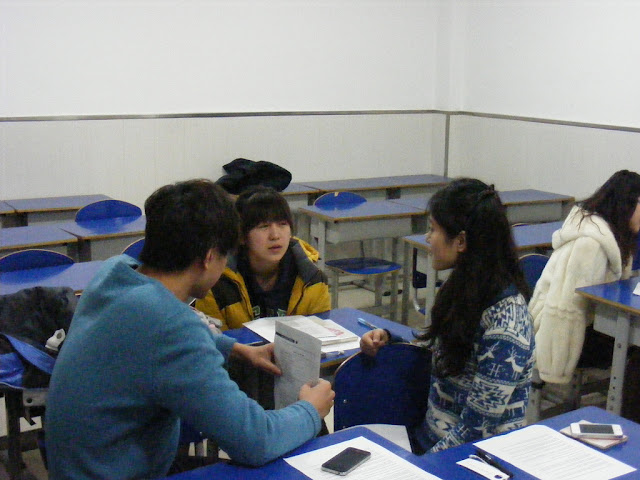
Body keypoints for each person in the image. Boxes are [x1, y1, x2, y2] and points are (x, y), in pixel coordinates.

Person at [45, 179, 334, 480]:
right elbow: (257, 441)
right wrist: (310, 410)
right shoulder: (169, 326)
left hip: (84, 466)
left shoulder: (115, 273)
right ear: (209, 257)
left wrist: (235, 349)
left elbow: (159, 332)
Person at [360, 178, 534, 454]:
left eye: (433, 229)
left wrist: (420, 466)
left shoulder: (507, 320)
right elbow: (443, 351)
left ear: (461, 241)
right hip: (432, 442)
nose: (428, 238)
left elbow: (476, 429)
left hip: (474, 459)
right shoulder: (464, 287)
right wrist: (389, 340)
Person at [529, 169, 640, 385]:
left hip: (588, 324)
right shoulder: (590, 246)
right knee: (634, 348)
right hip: (560, 335)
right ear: (627, 204)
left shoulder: (614, 235)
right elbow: (565, 310)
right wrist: (555, 364)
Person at [195, 185, 330, 330]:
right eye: (264, 226)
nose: (275, 235)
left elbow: (320, 334)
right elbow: (211, 338)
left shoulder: (311, 279)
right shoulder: (216, 282)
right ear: (242, 236)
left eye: (282, 224)